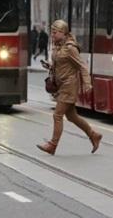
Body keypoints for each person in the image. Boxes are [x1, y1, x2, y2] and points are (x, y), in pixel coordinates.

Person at [37, 19, 102, 155]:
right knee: (72, 116)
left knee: (57, 115)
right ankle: (93, 135)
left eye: (54, 32)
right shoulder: (58, 46)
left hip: (69, 85)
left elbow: (82, 66)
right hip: (62, 85)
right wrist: (50, 66)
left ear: (62, 32)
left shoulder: (70, 48)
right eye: (52, 32)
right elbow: (61, 64)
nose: (52, 35)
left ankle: (52, 145)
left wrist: (87, 83)